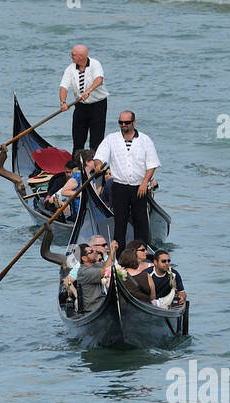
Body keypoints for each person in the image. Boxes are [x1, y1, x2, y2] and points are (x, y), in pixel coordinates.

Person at [89, 112, 160, 247]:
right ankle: (120, 254)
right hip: (119, 186)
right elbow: (100, 156)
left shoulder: (145, 140)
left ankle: (142, 251)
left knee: (141, 222)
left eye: (127, 122)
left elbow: (152, 164)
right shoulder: (111, 139)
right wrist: (98, 165)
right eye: (121, 122)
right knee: (120, 222)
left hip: (139, 186)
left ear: (133, 122)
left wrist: (145, 183)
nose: (123, 125)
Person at [59, 44, 108, 152]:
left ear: (81, 56)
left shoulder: (95, 64)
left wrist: (88, 91)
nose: (71, 56)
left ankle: (95, 164)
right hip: (80, 106)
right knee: (78, 137)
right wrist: (63, 102)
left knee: (96, 139)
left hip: (98, 105)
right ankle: (77, 163)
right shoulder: (70, 69)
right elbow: (63, 86)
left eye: (73, 54)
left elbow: (99, 79)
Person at [63, 241, 112, 313]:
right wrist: (112, 250)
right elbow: (105, 270)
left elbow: (110, 264)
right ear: (84, 258)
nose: (95, 252)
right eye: (91, 251)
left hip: (102, 302)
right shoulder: (83, 271)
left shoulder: (96, 265)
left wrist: (113, 251)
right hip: (93, 308)